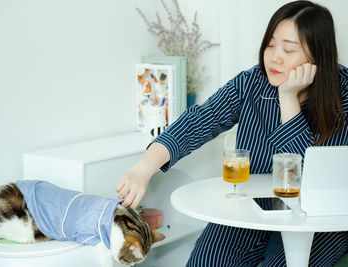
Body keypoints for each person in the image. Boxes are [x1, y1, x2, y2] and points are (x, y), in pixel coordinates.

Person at [116, 1, 348, 266]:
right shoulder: (251, 82)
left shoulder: (343, 95)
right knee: (206, 261)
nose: (274, 57)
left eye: (288, 49)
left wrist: (288, 98)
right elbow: (200, 120)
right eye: (271, 45)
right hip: (251, 208)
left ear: (317, 56)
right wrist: (143, 168)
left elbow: (307, 179)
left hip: (317, 221)